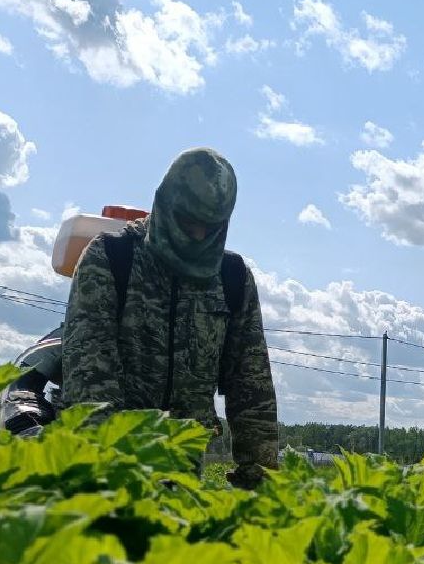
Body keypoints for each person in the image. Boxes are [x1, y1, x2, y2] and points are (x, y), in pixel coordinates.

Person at [41, 147, 277, 488]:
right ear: (165, 203)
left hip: (182, 468)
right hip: (105, 465)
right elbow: (91, 380)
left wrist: (262, 485)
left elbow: (251, 388)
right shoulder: (111, 257)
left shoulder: (232, 278)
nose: (197, 234)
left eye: (209, 226)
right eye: (188, 221)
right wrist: (110, 479)